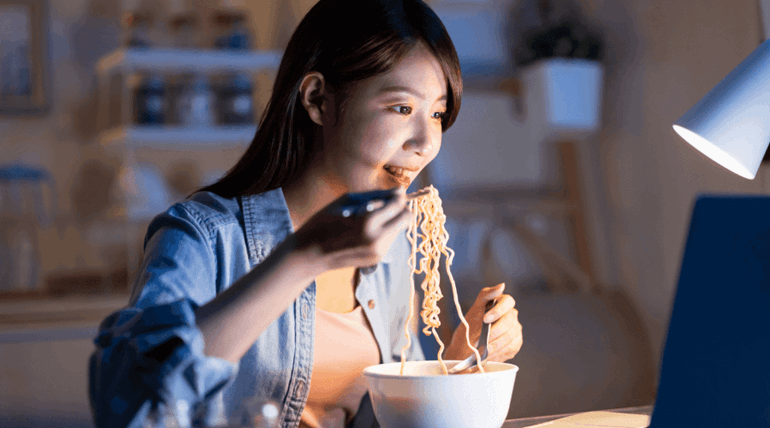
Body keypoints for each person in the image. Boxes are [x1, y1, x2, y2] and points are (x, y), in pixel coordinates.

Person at [88, 1, 523, 427]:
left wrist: (457, 362)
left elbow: (394, 419)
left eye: (438, 114)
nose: (426, 142)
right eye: (402, 108)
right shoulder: (201, 235)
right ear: (317, 99)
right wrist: (302, 258)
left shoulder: (392, 250)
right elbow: (132, 407)